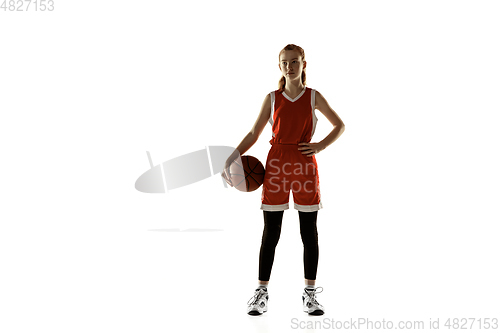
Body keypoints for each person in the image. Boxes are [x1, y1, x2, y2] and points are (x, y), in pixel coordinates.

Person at [221, 44, 345, 316]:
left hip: (304, 165)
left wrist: (319, 145)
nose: (289, 66)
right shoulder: (272, 98)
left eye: (294, 62)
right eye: (284, 62)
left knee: (308, 232)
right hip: (276, 163)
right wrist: (231, 158)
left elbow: (340, 125)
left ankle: (310, 295)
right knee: (271, 233)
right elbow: (254, 132)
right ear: (279, 66)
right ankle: (261, 292)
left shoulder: (314, 97)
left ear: (304, 64)